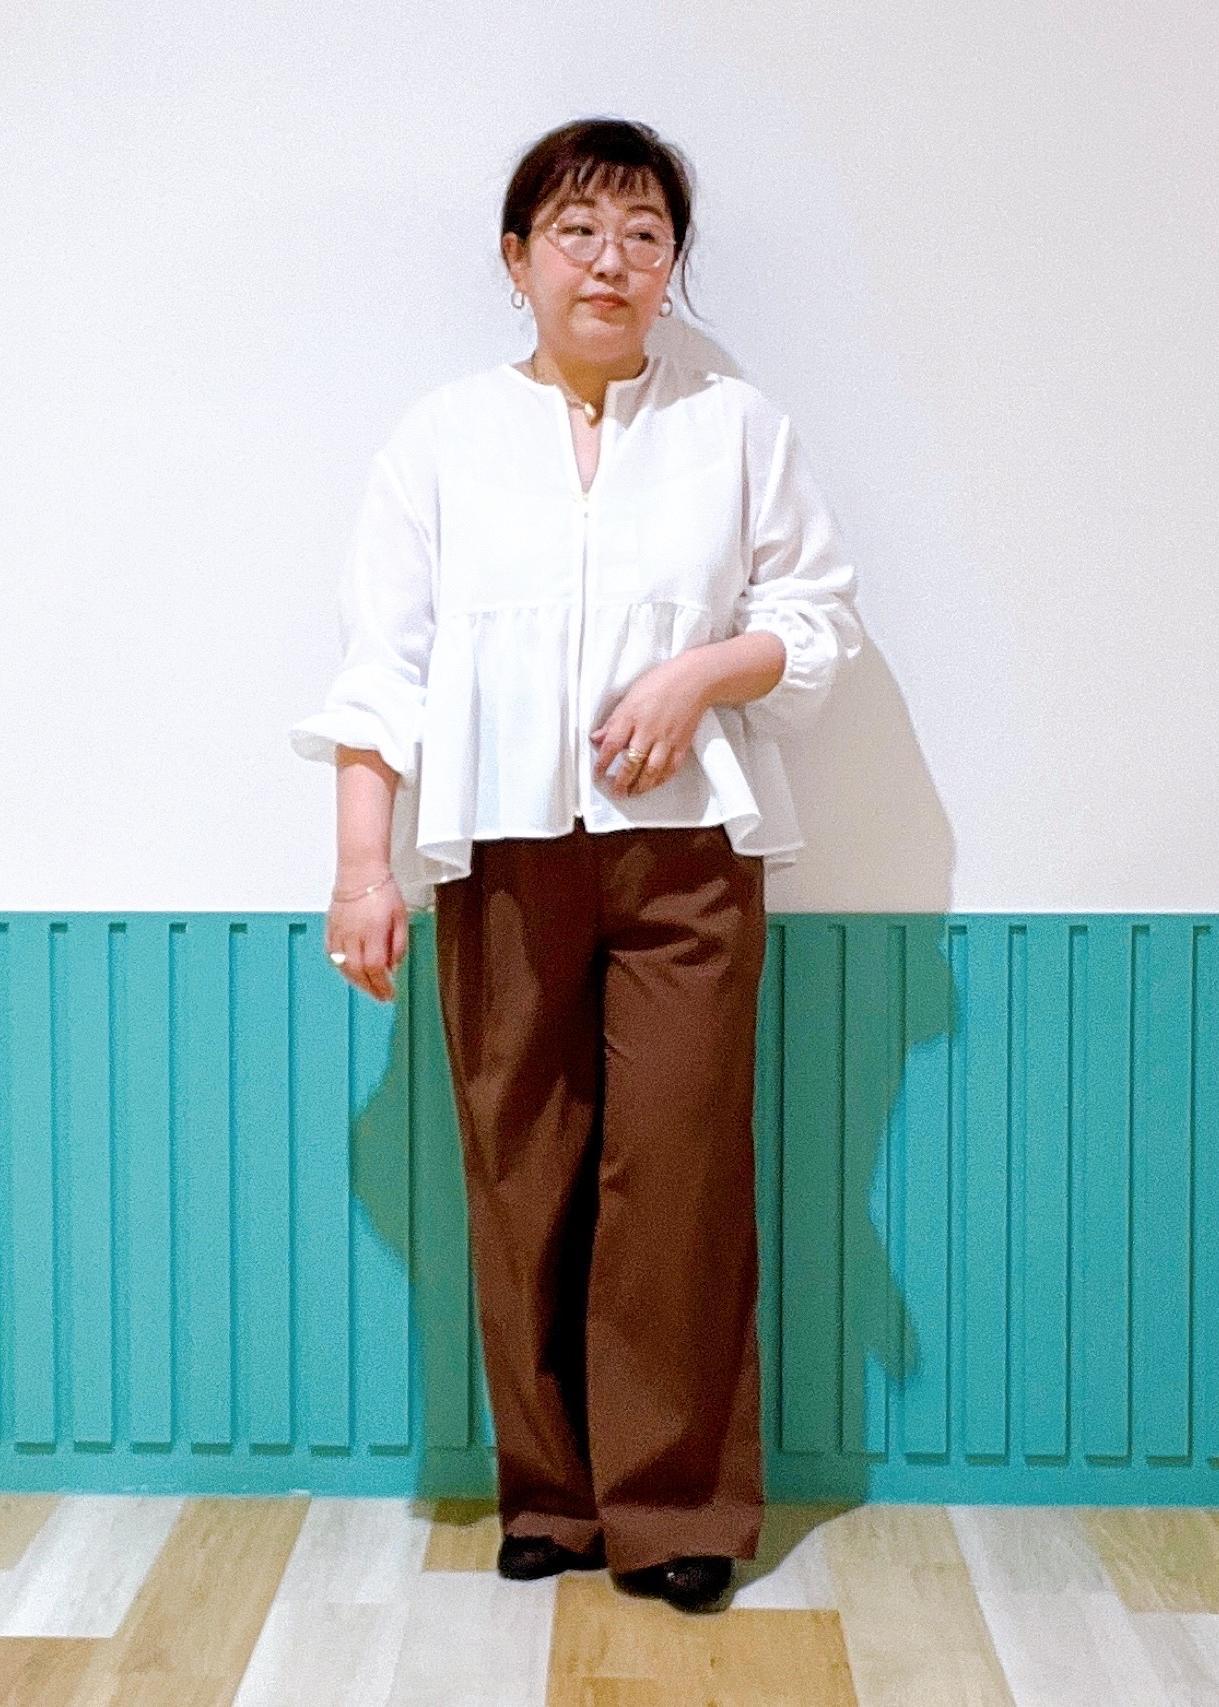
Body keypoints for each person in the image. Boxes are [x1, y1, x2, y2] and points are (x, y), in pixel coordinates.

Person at [289, 117, 863, 1613]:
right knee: (522, 1171)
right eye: (577, 231)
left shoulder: (738, 429)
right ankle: (549, 1494)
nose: (612, 262)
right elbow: (380, 669)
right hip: (502, 857)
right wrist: (363, 869)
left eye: (645, 235)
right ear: (518, 257)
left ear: (674, 265)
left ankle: (674, 1509)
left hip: (688, 859)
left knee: (675, 1179)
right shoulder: (441, 439)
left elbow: (815, 619)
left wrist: (702, 673)